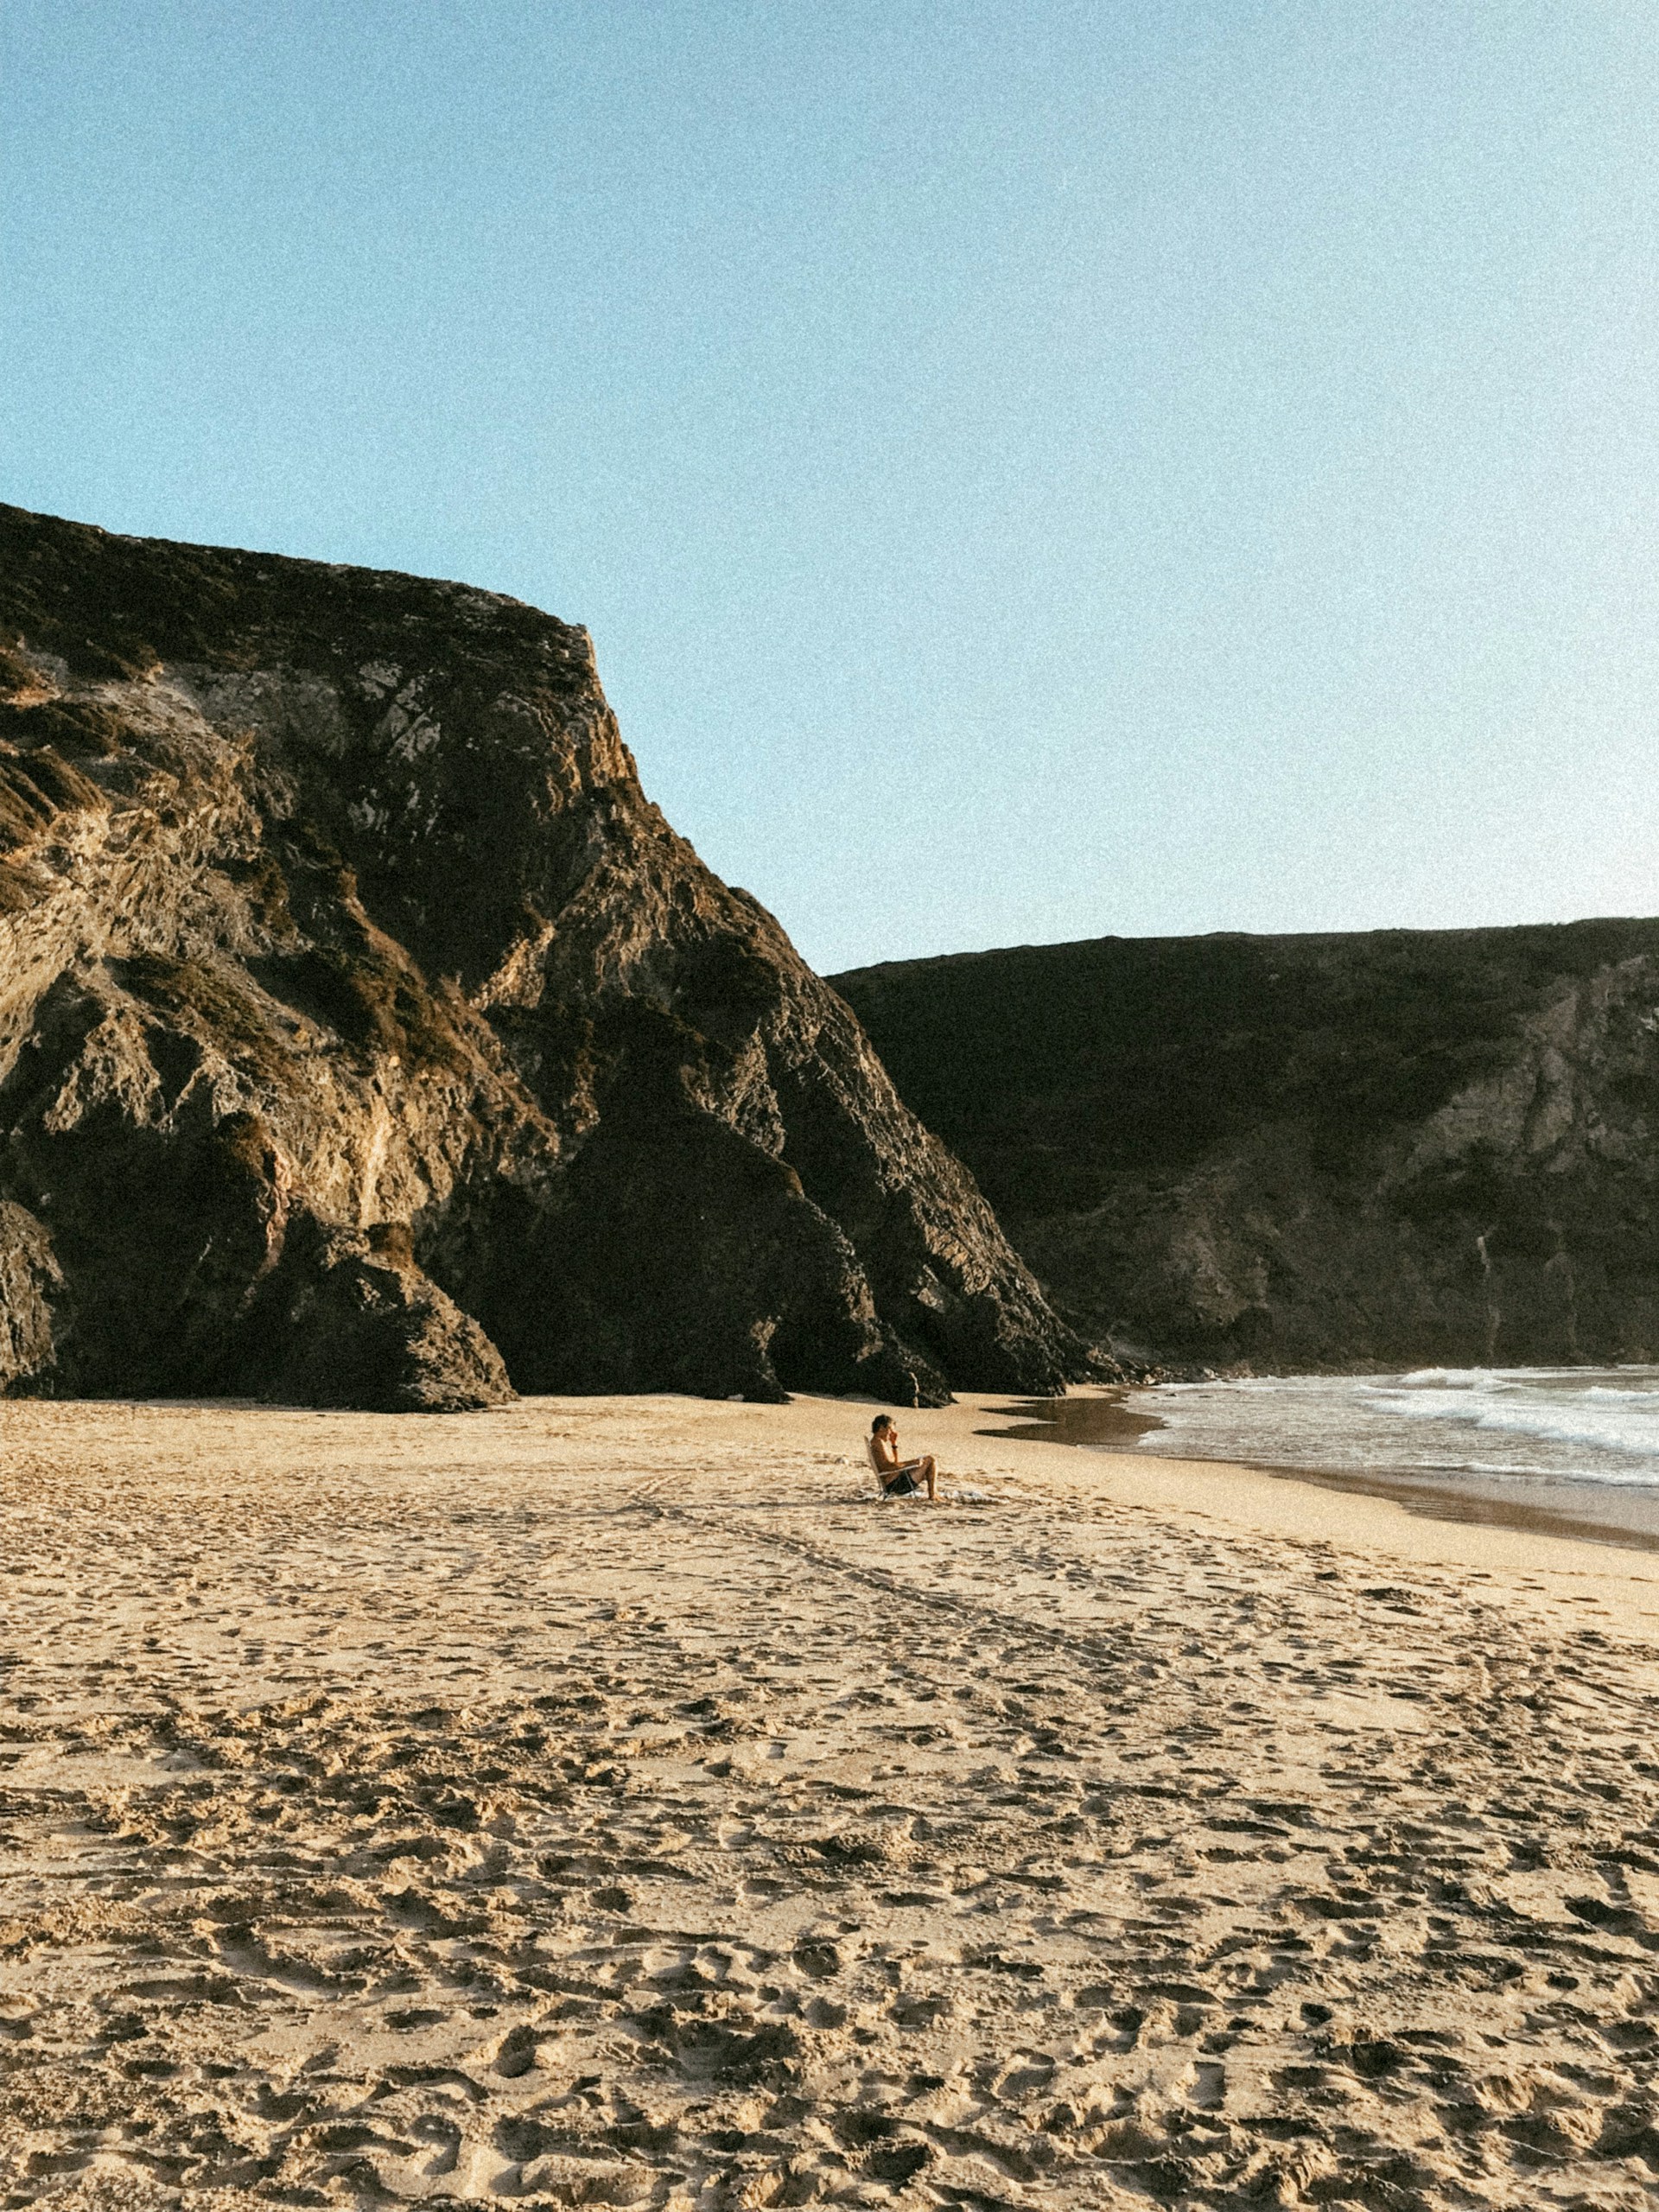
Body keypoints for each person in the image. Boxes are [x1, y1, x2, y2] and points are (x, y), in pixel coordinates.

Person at [867, 1413, 939, 1502]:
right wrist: (913, 1462)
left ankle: (933, 1494)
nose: (892, 1433)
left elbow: (894, 1462)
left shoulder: (877, 1442)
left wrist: (894, 1444)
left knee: (928, 1462)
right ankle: (933, 1496)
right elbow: (889, 1466)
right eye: (891, 1430)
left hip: (895, 1481)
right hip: (897, 1485)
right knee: (931, 1460)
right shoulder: (878, 1443)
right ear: (882, 1428)